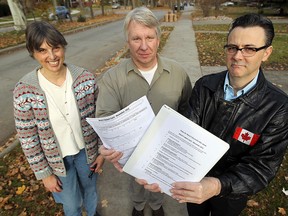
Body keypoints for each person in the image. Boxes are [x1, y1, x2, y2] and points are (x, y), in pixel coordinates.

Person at [138, 13, 288, 216]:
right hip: (192, 180)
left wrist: (217, 185)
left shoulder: (277, 107)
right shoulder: (205, 85)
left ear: (267, 52)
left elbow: (262, 167)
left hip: (232, 193)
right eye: (232, 47)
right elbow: (183, 132)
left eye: (250, 49)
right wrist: (159, 171)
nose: (237, 56)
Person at [96, 7, 192, 216]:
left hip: (166, 150)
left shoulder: (178, 73)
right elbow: (105, 117)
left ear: (158, 38)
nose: (144, 46)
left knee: (159, 183)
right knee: (136, 182)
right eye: (136, 39)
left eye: (149, 37)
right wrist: (106, 144)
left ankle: (157, 206)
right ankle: (138, 206)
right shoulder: (112, 78)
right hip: (131, 152)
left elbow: (187, 109)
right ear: (127, 41)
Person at [13, 21, 104, 216]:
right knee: (71, 204)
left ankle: (94, 212)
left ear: (63, 46)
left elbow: (101, 117)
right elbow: (28, 138)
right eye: (42, 50)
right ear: (32, 52)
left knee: (90, 191)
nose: (52, 56)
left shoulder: (85, 79)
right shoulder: (25, 91)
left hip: (86, 154)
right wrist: (45, 174)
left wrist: (102, 151)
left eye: (56, 48)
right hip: (56, 161)